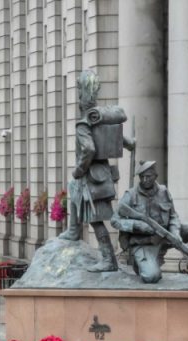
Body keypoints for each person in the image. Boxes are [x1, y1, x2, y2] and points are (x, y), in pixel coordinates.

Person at [57, 68, 135, 272]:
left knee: (95, 220)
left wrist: (80, 169)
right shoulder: (98, 120)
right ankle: (73, 231)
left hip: (92, 178)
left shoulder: (85, 124)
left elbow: (90, 148)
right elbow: (118, 139)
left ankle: (108, 258)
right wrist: (130, 144)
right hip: (101, 176)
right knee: (73, 189)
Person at [113, 160, 188, 283]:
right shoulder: (130, 195)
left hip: (166, 234)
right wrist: (137, 225)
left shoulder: (163, 191)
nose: (145, 179)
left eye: (148, 176)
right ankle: (140, 263)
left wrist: (175, 233)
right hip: (145, 242)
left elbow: (173, 216)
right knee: (151, 277)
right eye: (142, 177)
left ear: (155, 176)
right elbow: (115, 220)